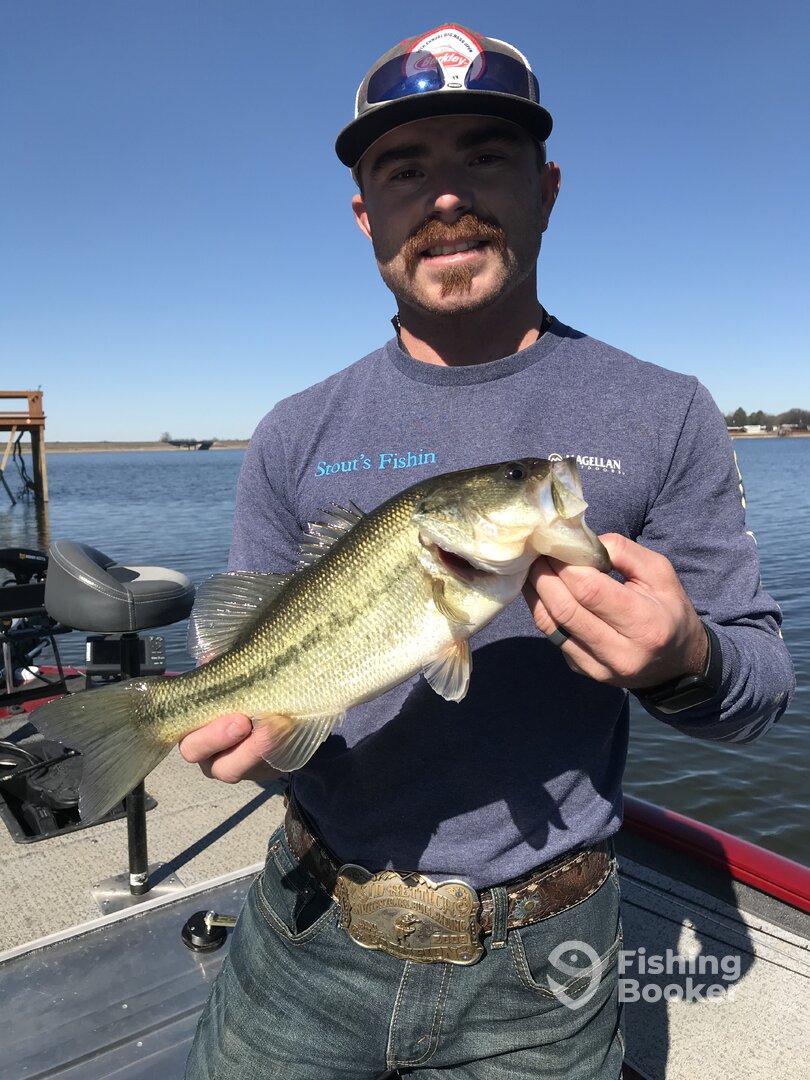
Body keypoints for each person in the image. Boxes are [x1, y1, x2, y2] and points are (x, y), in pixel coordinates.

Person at [182, 23, 795, 1079]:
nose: (447, 195)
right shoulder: (291, 431)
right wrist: (246, 724)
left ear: (547, 190)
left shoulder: (667, 412)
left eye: (486, 155)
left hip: (545, 967)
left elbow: (760, 692)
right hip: (304, 926)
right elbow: (269, 695)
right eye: (404, 169)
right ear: (366, 214)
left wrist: (685, 657)